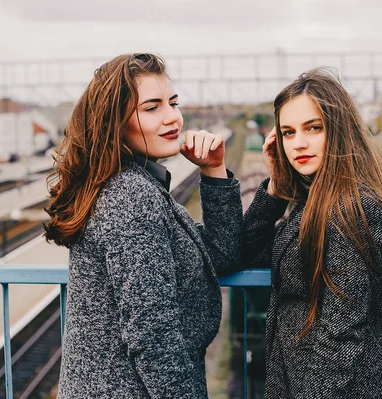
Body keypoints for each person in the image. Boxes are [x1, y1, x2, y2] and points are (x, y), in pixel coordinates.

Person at [44, 53, 242, 398]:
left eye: (173, 103)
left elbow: (219, 258)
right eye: (152, 108)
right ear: (115, 121)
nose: (172, 118)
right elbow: (154, 338)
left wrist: (213, 171)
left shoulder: (132, 184)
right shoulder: (131, 197)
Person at [242, 68, 382, 398]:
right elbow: (246, 253)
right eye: (287, 133)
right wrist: (273, 187)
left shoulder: (350, 209)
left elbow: (340, 336)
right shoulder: (317, 199)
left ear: (339, 130)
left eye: (313, 128)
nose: (298, 143)